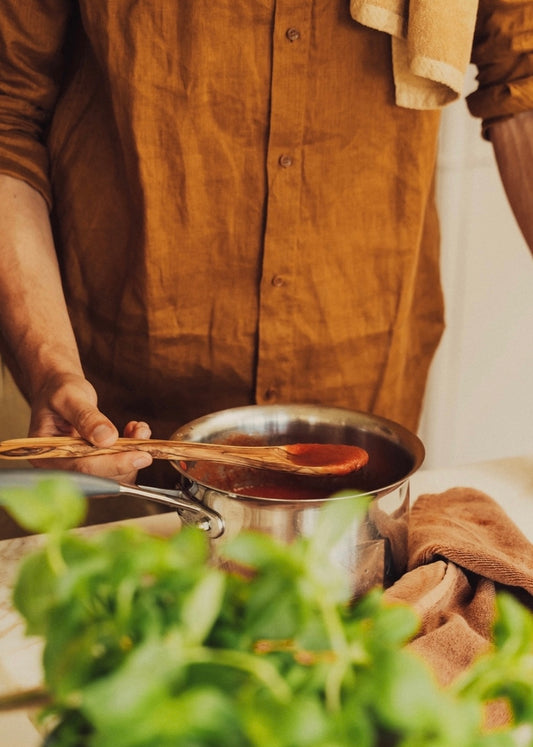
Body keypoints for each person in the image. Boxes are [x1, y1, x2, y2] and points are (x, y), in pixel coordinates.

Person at [0, 0, 532, 501]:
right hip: (118, 417)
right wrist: (51, 368)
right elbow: (8, 119)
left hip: (369, 384)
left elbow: (523, 76)